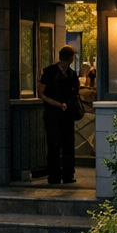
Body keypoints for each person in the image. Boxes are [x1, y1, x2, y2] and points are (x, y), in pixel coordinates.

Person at [36, 45, 79, 184]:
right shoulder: (54, 72)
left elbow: (41, 93)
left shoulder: (52, 72)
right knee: (59, 145)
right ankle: (62, 175)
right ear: (71, 58)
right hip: (56, 114)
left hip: (60, 115)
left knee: (60, 145)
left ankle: (60, 175)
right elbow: (41, 93)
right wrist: (59, 104)